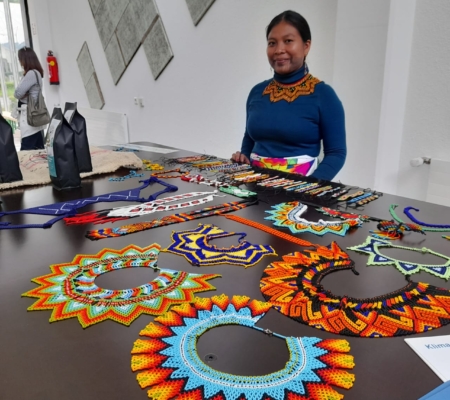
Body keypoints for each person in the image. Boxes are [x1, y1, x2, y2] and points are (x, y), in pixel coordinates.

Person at [231, 10, 346, 181]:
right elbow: (249, 138)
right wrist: (243, 159)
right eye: (272, 43)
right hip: (253, 186)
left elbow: (336, 153)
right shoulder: (257, 92)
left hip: (301, 188)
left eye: (288, 41)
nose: (279, 50)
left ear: (306, 46)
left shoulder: (324, 95)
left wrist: (309, 186)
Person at [14, 47, 46, 150]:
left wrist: (23, 93)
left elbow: (17, 93)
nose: (20, 61)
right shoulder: (36, 73)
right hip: (34, 113)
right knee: (38, 147)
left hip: (29, 114)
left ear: (25, 59)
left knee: (26, 148)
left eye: (20, 58)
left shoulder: (31, 74)